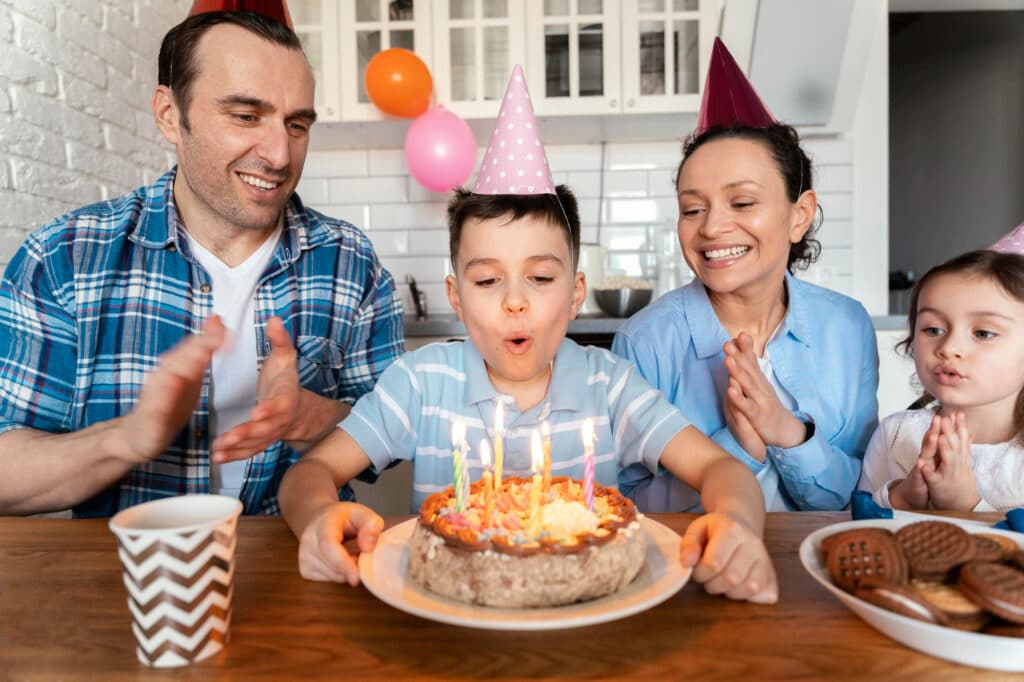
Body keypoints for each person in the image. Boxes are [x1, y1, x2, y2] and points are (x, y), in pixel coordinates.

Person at [279, 66, 777, 604]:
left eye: (540, 278)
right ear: (455, 297)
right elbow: (309, 474)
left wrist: (737, 524)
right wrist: (319, 516)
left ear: (575, 292)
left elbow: (724, 471)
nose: (515, 301)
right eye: (488, 280)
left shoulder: (608, 385)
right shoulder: (422, 384)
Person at [0, 7, 404, 517]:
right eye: (245, 116)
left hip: (299, 567)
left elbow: (395, 432)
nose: (280, 155)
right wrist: (126, 438)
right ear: (170, 114)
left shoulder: (350, 261)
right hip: (127, 580)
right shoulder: (65, 259)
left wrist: (309, 417)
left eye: (297, 124)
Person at [613, 39, 878, 512]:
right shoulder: (645, 342)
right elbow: (625, 504)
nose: (712, 227)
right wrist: (736, 447)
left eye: (742, 202)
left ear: (800, 215)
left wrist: (787, 433)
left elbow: (859, 488)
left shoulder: (848, 328)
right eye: (692, 208)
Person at [859, 250, 1024, 511]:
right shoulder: (895, 434)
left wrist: (968, 506)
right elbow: (855, 532)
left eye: (983, 333)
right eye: (933, 329)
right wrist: (901, 498)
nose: (949, 347)